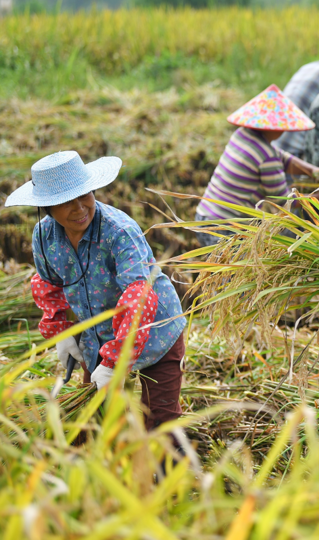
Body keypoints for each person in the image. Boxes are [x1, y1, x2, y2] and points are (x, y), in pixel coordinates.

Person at [4, 151, 186, 430]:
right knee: (97, 420)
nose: (79, 208)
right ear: (47, 207)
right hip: (98, 337)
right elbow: (49, 285)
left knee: (161, 422)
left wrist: (116, 360)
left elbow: (140, 297)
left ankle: (167, 472)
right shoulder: (44, 236)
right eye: (65, 202)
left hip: (155, 331)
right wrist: (62, 333)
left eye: (84, 195)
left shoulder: (118, 231)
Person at [195, 84, 319, 247]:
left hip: (204, 216)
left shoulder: (242, 134)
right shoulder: (267, 157)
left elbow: (282, 158)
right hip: (223, 229)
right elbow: (285, 202)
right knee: (233, 271)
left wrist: (314, 171)